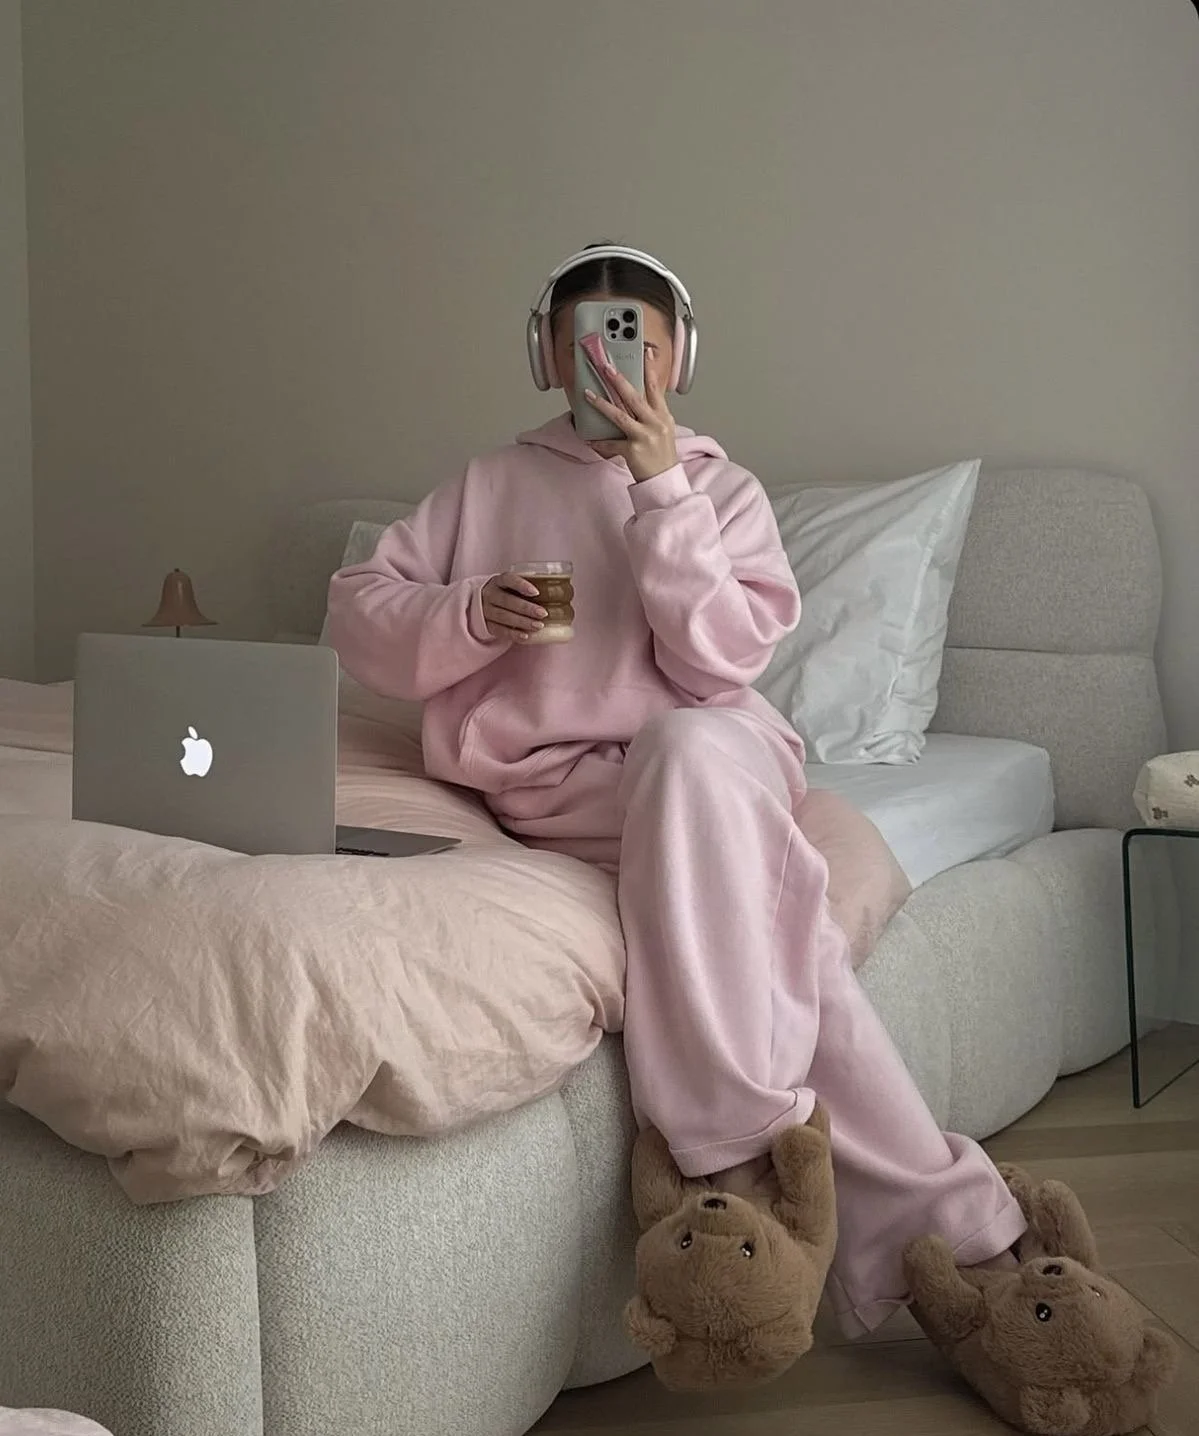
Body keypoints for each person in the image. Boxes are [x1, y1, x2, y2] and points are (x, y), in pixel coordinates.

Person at [326, 244, 1026, 1345]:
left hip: (712, 761)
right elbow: (358, 612)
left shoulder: (718, 490)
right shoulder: (487, 485)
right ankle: (958, 1234)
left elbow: (720, 659)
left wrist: (661, 494)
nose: (614, 369)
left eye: (637, 345)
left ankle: (721, 1150)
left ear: (679, 358)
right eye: (590, 341)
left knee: (685, 745)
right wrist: (467, 612)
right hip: (562, 794)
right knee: (782, 925)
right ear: (546, 352)